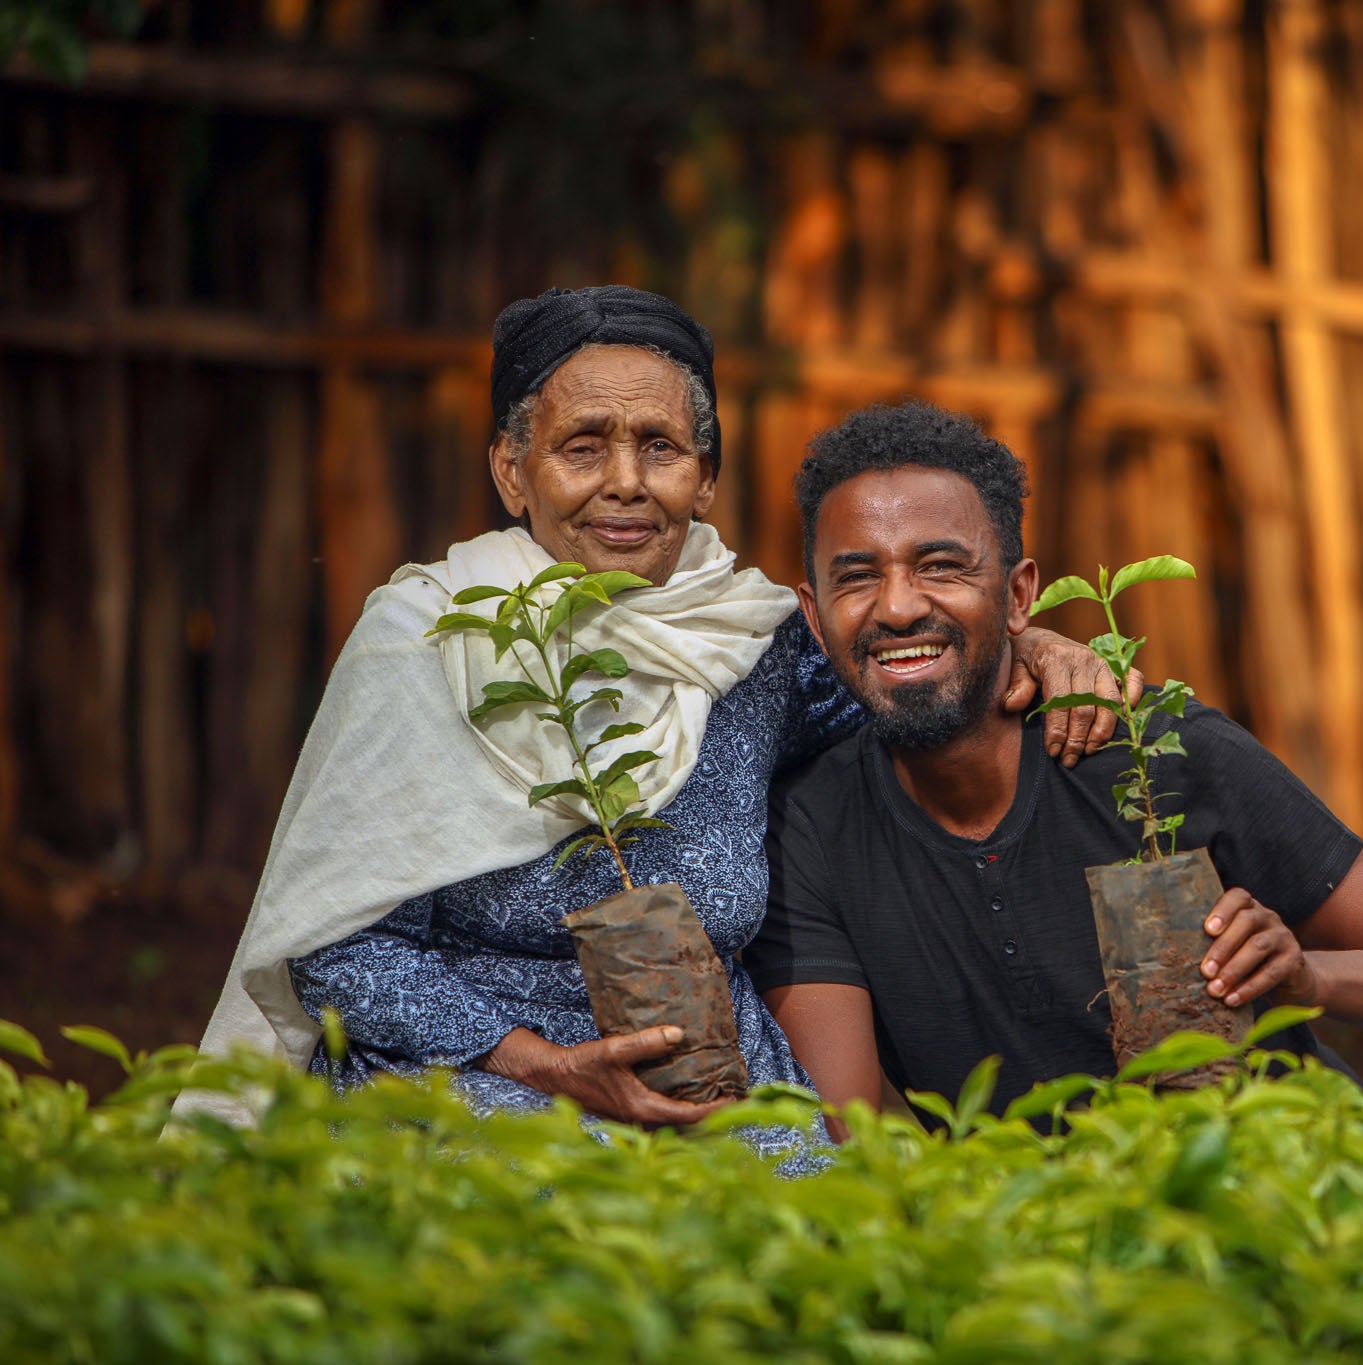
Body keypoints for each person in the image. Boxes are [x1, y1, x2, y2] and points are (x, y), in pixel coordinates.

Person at [183, 288, 1124, 1140]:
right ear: (513, 473)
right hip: (470, 1076)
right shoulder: (429, 640)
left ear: (704, 478)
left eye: (661, 448)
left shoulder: (749, 646)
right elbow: (334, 945)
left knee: (820, 1258)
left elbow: (911, 668)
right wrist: (547, 1065)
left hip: (711, 1074)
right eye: (582, 446)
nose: (626, 480)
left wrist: (1031, 644)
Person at [752, 401, 1363, 1123]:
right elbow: (847, 1129)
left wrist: (1311, 979)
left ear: (1020, 596)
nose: (896, 605)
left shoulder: (1159, 750)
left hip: (1299, 1186)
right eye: (857, 576)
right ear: (814, 618)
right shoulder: (809, 830)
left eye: (942, 566)